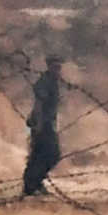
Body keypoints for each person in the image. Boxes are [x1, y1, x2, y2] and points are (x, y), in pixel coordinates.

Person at [21, 55, 66, 198]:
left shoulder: (52, 81)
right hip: (43, 125)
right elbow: (39, 105)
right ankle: (33, 183)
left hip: (46, 123)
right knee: (52, 155)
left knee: (38, 155)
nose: (58, 71)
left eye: (59, 68)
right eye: (55, 67)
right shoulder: (45, 82)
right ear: (49, 67)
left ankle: (32, 184)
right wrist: (39, 125)